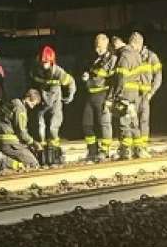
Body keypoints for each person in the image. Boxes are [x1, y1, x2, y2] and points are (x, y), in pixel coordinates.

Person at [30, 45, 76, 165]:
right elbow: (33, 84)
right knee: (40, 126)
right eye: (42, 62)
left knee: (53, 127)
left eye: (46, 62)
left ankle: (54, 150)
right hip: (42, 102)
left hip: (55, 103)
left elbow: (71, 82)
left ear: (51, 61)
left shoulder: (58, 72)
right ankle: (42, 149)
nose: (44, 64)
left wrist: (70, 95)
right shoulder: (37, 71)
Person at [81, 33, 117, 161]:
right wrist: (86, 78)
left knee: (104, 124)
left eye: (100, 47)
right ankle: (92, 150)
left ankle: (105, 150)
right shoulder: (96, 60)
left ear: (107, 44)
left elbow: (114, 81)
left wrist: (110, 99)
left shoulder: (112, 60)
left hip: (103, 95)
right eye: (96, 46)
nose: (97, 49)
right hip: (91, 95)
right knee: (87, 124)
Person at [0, 89, 42, 171]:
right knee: (33, 164)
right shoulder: (20, 109)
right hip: (9, 142)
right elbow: (21, 132)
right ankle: (3, 161)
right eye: (34, 103)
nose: (33, 107)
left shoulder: (12, 103)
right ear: (28, 98)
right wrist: (33, 143)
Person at [106, 35, 141, 160]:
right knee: (133, 122)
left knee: (123, 123)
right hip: (134, 94)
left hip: (125, 94)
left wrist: (117, 95)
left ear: (115, 45)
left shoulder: (124, 56)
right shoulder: (136, 55)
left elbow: (121, 78)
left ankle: (125, 151)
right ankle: (138, 149)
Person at [129, 31, 163, 158]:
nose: (132, 48)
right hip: (132, 94)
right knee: (132, 121)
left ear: (139, 44)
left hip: (144, 95)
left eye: (133, 45)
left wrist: (151, 92)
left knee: (143, 121)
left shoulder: (151, 57)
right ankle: (135, 147)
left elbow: (158, 77)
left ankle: (142, 147)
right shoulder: (130, 56)